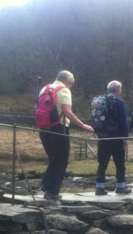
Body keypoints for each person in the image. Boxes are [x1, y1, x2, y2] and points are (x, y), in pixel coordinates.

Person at [38, 70, 94, 202]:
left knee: (53, 158)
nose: (70, 87)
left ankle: (46, 184)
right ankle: (52, 192)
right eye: (70, 85)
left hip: (43, 129)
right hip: (59, 128)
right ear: (68, 82)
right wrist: (83, 125)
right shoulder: (63, 90)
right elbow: (68, 113)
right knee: (61, 160)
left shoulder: (44, 89)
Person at [94, 80, 132, 196]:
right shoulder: (119, 103)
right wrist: (126, 139)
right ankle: (120, 186)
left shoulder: (100, 102)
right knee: (120, 162)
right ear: (117, 91)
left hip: (102, 137)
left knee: (102, 162)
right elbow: (123, 122)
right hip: (116, 137)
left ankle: (99, 188)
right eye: (120, 89)